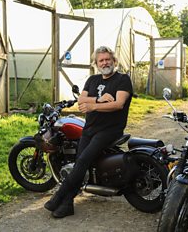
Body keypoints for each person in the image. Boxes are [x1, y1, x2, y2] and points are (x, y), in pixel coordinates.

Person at [44, 45, 133, 218]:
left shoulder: (122, 80)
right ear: (96, 63)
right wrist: (99, 100)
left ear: (114, 61)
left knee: (83, 160)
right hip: (89, 129)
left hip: (110, 130)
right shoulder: (92, 80)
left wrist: (92, 106)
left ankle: (59, 196)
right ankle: (68, 204)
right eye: (101, 60)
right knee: (80, 164)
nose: (105, 62)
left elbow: (118, 104)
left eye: (108, 59)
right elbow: (81, 100)